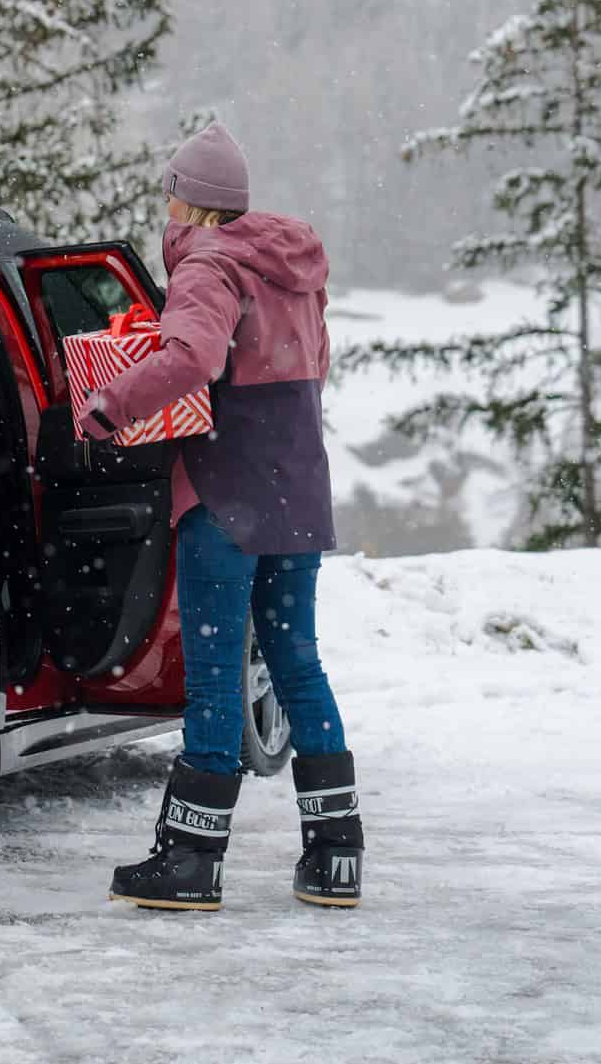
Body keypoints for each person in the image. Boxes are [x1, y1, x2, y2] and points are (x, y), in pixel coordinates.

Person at [78, 119, 363, 911]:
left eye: (171, 198)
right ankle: (336, 853)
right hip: (295, 490)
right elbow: (316, 364)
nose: (167, 211)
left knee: (211, 677)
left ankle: (190, 859)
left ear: (191, 203)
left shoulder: (208, 264)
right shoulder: (294, 266)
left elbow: (192, 358)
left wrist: (107, 406)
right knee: (296, 661)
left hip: (224, 495)